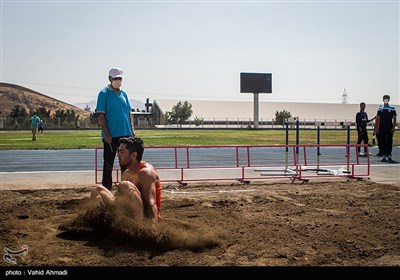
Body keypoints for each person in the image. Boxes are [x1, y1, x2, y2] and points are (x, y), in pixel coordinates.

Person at [91, 137, 162, 225]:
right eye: (118, 151)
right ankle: (101, 223)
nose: (118, 155)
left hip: (145, 220)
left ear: (134, 155)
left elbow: (151, 203)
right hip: (129, 214)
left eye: (121, 152)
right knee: (98, 190)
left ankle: (139, 228)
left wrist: (153, 230)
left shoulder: (146, 173)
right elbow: (120, 199)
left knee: (125, 185)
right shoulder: (126, 173)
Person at [95, 67, 135, 190]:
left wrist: (132, 131)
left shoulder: (124, 94)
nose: (118, 80)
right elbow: (101, 115)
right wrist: (106, 134)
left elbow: (129, 114)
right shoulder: (103, 94)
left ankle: (126, 190)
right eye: (116, 78)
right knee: (108, 164)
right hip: (111, 136)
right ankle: (106, 191)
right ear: (110, 78)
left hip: (126, 135)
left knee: (126, 165)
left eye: (120, 78)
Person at [375, 94, 397, 162]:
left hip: (389, 127)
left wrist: (393, 127)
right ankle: (384, 155)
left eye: (387, 98)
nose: (385, 99)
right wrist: (376, 128)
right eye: (384, 98)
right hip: (382, 127)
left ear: (389, 99)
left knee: (389, 141)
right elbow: (378, 118)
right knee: (382, 141)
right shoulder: (380, 108)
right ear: (382, 99)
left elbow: (394, 118)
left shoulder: (392, 108)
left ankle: (389, 155)